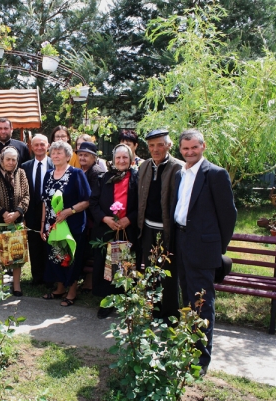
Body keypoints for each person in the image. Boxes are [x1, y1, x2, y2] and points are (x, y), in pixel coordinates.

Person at [173, 129, 236, 376]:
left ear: (203, 146)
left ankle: (200, 359)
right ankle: (188, 346)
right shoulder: (181, 174)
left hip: (204, 247)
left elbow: (228, 215)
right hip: (181, 241)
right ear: (180, 150)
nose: (189, 152)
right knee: (187, 298)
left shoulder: (216, 174)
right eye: (185, 149)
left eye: (194, 148)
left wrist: (216, 249)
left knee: (202, 302)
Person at [137, 128, 184, 321]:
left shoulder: (179, 168)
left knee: (168, 274)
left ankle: (169, 315)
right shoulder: (145, 166)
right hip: (147, 228)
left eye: (160, 145)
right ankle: (151, 310)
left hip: (168, 231)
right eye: (151, 146)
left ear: (169, 145)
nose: (155, 149)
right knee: (149, 271)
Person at [89, 144, 139, 319]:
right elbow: (93, 202)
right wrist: (105, 219)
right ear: (113, 160)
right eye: (118, 158)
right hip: (106, 229)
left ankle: (125, 301)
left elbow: (143, 203)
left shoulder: (138, 178)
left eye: (125, 157)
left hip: (128, 229)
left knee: (124, 266)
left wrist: (129, 219)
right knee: (106, 266)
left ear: (131, 159)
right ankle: (106, 301)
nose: (121, 161)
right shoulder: (104, 178)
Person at [40, 140, 91, 307]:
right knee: (56, 256)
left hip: (72, 225)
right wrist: (43, 225)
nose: (55, 155)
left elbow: (86, 200)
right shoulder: (48, 174)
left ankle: (72, 291)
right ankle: (60, 287)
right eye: (53, 152)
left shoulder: (77, 174)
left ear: (68, 156)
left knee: (71, 257)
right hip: (52, 225)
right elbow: (44, 202)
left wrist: (70, 211)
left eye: (59, 153)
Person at [0, 146, 30, 296]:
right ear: (2, 159)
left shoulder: (21, 173)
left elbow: (26, 196)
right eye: (8, 159)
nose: (11, 162)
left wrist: (17, 213)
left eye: (14, 159)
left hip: (16, 221)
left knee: (16, 255)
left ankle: (16, 286)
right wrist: (3, 212)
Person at [22, 134, 54, 286]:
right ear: (32, 147)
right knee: (34, 244)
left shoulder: (55, 164)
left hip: (52, 211)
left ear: (48, 145)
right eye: (36, 145)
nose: (39, 147)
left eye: (42, 144)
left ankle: (50, 278)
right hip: (32, 211)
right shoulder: (25, 166)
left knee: (50, 243)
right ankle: (37, 277)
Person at [74, 141, 107, 292]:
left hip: (93, 218)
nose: (82, 158)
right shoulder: (81, 170)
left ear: (94, 157)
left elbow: (93, 198)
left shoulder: (97, 172)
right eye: (80, 155)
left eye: (86, 155)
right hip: (84, 217)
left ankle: (90, 282)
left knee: (91, 250)